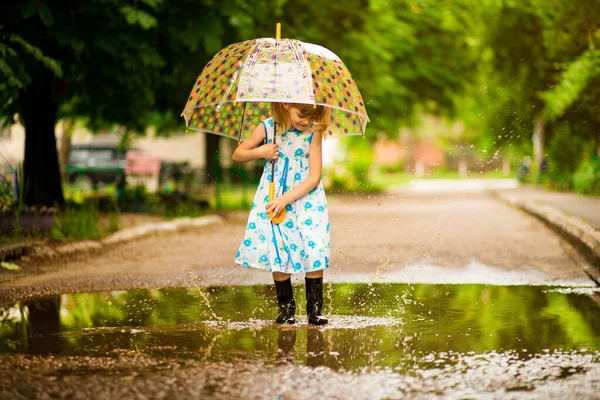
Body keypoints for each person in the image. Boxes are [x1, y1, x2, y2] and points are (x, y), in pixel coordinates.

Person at [232, 102, 331, 326]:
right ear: (286, 104)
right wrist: (260, 151)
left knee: (313, 246)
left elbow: (314, 176)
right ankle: (286, 311)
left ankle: (314, 310)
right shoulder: (268, 128)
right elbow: (238, 154)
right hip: (274, 196)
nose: (305, 121)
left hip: (306, 197)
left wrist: (287, 198)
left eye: (311, 116)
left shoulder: (314, 131)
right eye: (301, 115)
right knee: (279, 247)